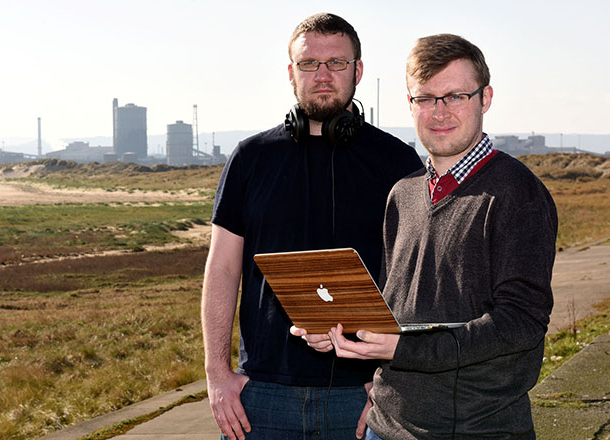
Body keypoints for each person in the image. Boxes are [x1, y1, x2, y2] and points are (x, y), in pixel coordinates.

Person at [294, 34, 558, 439]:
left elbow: (521, 322)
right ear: (410, 104)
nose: (439, 112)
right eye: (426, 98)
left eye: (455, 96)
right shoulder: (403, 194)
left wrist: (402, 350)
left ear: (485, 98)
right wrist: (338, 327)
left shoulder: (517, 194)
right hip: (384, 425)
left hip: (474, 431)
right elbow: (395, 308)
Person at [202, 13, 423, 440]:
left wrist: (388, 383)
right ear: (291, 73)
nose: (322, 75)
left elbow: (414, 278)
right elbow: (223, 269)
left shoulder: (397, 162)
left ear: (357, 71)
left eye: (336, 63)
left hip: (362, 395)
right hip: (262, 394)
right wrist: (217, 374)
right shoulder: (250, 158)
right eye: (308, 64)